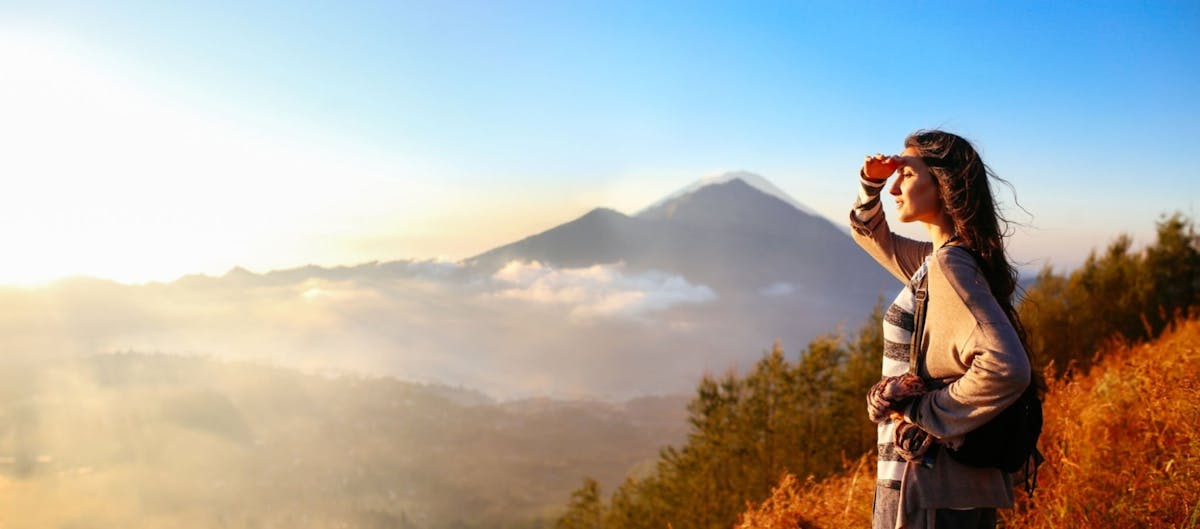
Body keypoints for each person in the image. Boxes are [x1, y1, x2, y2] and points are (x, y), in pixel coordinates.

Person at [850, 130, 1035, 529]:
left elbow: (1007, 368)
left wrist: (921, 411)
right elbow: (870, 234)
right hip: (945, 485)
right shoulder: (941, 259)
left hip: (935, 486)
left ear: (943, 185)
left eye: (908, 175)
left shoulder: (951, 267)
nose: (896, 186)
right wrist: (871, 185)